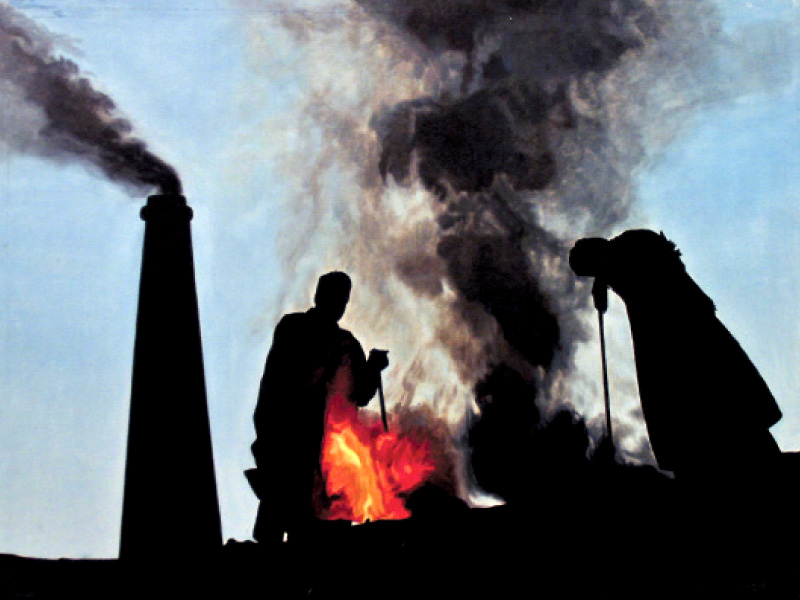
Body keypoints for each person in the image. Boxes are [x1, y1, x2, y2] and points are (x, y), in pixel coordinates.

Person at [249, 271, 389, 546]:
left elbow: (360, 395)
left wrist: (372, 367)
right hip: (290, 442)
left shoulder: (348, 343)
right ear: (319, 296)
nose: (340, 304)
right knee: (278, 524)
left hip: (331, 453)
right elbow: (278, 381)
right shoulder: (294, 328)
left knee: (323, 532)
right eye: (335, 296)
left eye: (343, 299)